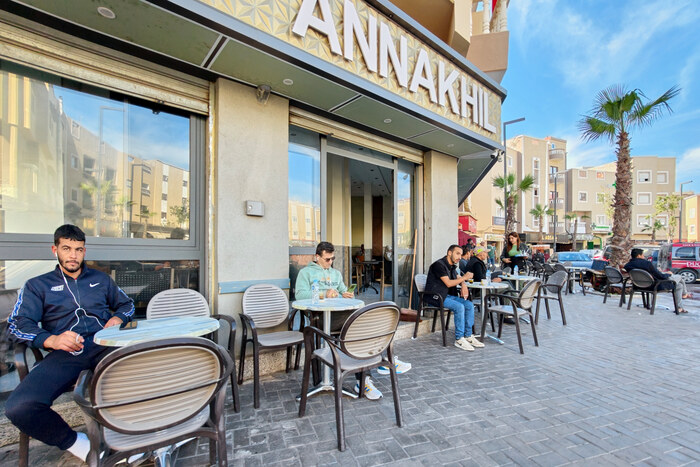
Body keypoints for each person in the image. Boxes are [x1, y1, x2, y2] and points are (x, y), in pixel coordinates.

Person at [5, 224, 135, 462]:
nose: (73, 255)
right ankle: (79, 444)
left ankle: (146, 434)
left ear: (84, 251)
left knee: (154, 370)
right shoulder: (37, 285)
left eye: (78, 249)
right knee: (19, 407)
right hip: (67, 353)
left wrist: (118, 318)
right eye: (67, 248)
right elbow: (17, 324)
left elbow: (127, 304)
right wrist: (52, 339)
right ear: (55, 250)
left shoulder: (100, 279)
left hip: (107, 345)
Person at [295, 242, 410, 399]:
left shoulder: (335, 274)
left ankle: (365, 381)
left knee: (360, 330)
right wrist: (324, 294)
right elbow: (300, 295)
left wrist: (346, 294)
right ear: (317, 257)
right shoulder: (306, 273)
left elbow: (343, 291)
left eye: (333, 259)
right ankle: (382, 363)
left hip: (341, 315)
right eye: (327, 259)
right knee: (360, 324)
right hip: (320, 317)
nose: (330, 262)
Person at [425, 245, 484, 351]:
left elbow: (458, 277)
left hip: (446, 296)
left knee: (469, 305)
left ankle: (468, 335)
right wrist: (465, 277)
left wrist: (464, 284)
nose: (459, 257)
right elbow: (448, 283)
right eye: (457, 253)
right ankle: (459, 339)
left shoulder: (451, 266)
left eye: (461, 254)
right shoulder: (439, 265)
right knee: (459, 307)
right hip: (436, 297)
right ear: (449, 253)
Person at [623, 248, 690, 313]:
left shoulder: (627, 265)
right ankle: (685, 294)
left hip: (638, 285)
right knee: (679, 277)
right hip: (655, 285)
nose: (644, 256)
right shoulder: (647, 263)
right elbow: (660, 276)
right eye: (643, 255)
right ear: (638, 256)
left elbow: (647, 273)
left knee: (679, 286)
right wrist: (668, 274)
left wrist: (661, 273)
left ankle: (680, 307)